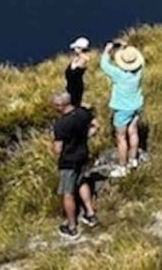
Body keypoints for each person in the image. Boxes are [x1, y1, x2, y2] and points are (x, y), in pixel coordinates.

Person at [50, 91, 99, 240]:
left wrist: (52, 147)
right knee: (82, 181)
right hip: (83, 155)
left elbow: (58, 149)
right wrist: (85, 137)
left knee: (68, 193)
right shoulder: (83, 112)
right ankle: (90, 214)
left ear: (60, 105)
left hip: (68, 161)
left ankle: (72, 227)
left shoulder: (61, 125)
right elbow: (96, 125)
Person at [100, 39, 145, 176]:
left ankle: (122, 167)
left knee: (121, 138)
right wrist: (125, 49)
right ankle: (133, 160)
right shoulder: (139, 70)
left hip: (122, 109)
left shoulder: (119, 75)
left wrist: (107, 51)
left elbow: (104, 64)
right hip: (136, 106)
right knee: (133, 132)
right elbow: (138, 60)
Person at [65, 37, 90, 107]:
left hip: (76, 86)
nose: (74, 50)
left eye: (76, 48)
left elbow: (76, 72)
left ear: (80, 48)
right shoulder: (76, 59)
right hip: (71, 86)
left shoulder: (83, 59)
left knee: (74, 103)